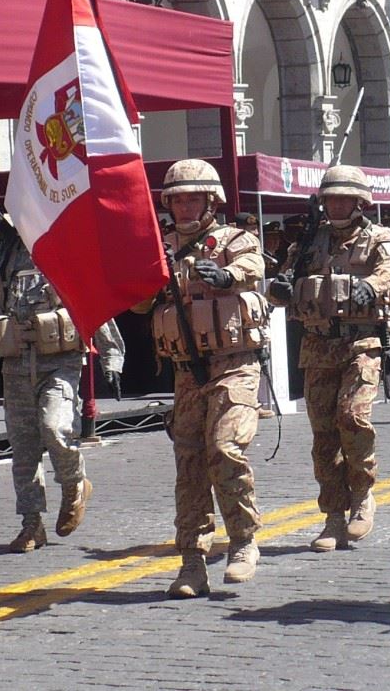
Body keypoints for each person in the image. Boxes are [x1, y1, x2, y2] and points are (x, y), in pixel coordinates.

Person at [136, 159, 267, 599]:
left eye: (194, 197)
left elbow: (253, 265)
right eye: (178, 198)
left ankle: (244, 541)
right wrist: (143, 284)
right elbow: (137, 305)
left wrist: (227, 276)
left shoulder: (233, 240)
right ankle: (192, 560)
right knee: (190, 464)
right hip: (187, 373)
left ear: (212, 201)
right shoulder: (158, 246)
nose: (185, 205)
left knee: (225, 448)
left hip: (234, 365)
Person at [268, 165, 390, 555]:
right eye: (331, 197)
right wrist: (279, 288)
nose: (337, 204)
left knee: (354, 417)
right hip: (317, 347)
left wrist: (371, 286)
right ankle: (332, 517)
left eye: (345, 197)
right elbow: (283, 287)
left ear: (361, 201)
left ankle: (362, 493)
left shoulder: (379, 238)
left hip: (362, 343)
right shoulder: (310, 242)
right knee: (324, 438)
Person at [0, 212, 90, 553]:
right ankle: (32, 524)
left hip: (59, 361)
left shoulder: (66, 253)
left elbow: (90, 305)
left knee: (55, 427)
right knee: (24, 450)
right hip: (16, 365)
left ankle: (74, 484)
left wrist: (114, 355)